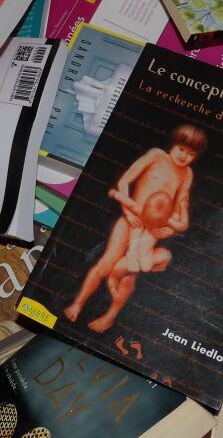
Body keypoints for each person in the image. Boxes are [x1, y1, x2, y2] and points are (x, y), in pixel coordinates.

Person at [65, 124, 207, 333]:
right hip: (130, 219)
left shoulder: (187, 173)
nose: (184, 156)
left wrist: (171, 230)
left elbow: (180, 206)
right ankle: (78, 303)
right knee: (106, 263)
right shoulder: (157, 156)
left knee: (130, 270)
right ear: (173, 145)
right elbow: (124, 181)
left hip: (153, 230)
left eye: (191, 154)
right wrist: (128, 212)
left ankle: (109, 317)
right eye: (181, 149)